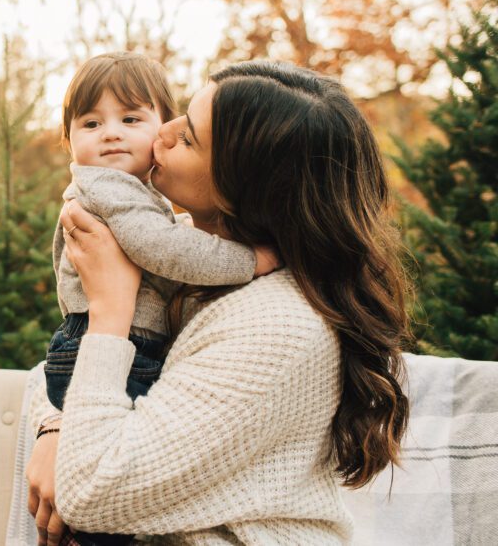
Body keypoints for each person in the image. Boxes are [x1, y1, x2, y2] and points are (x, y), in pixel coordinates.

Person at [26, 61, 411, 546]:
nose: (160, 133)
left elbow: (94, 493)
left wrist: (111, 311)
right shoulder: (184, 258)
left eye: (187, 138)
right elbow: (75, 356)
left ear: (244, 188)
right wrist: (56, 425)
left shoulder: (279, 326)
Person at [43, 53, 278, 546]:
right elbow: (163, 248)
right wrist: (249, 262)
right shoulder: (107, 189)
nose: (111, 133)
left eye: (130, 119)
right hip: (113, 346)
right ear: (68, 140)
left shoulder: (132, 192)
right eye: (91, 123)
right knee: (109, 492)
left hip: (106, 343)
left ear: (159, 128)